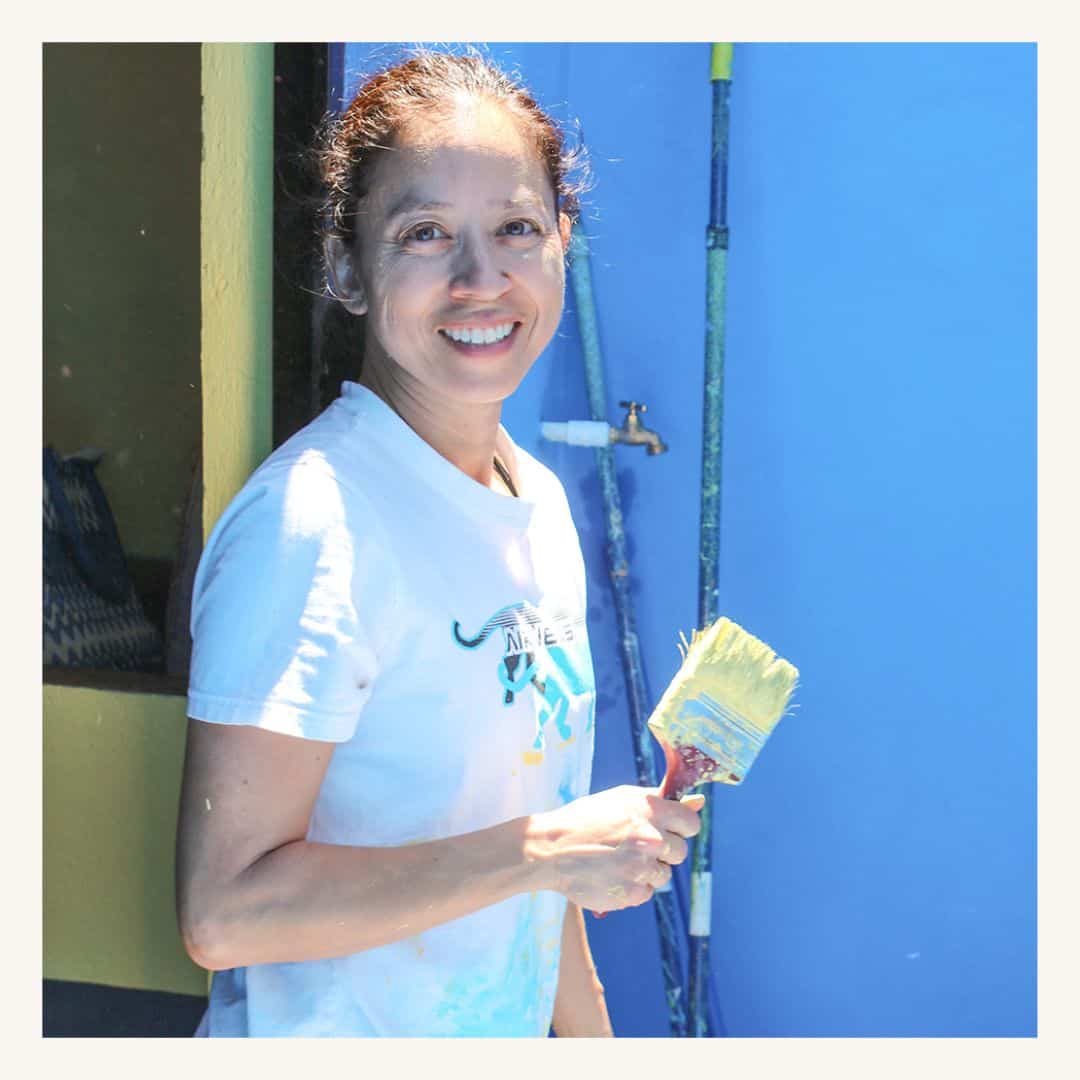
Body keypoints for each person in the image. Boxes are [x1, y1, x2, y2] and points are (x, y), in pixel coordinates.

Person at [175, 49, 704, 1038]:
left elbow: (532, 876)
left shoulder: (535, 502)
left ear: (562, 241)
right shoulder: (315, 523)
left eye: (516, 229)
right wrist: (545, 848)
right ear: (347, 269)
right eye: (425, 234)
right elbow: (224, 914)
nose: (480, 279)